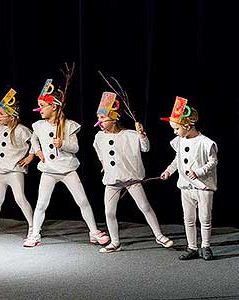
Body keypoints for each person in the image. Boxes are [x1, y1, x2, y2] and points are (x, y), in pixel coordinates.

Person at [23, 78, 110, 247]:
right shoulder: (39, 125)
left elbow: (75, 148)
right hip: (48, 170)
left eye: (43, 106)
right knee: (41, 203)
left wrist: (62, 144)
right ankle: (35, 234)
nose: (39, 109)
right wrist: (37, 150)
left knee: (82, 201)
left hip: (67, 169)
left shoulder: (68, 125)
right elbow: (33, 139)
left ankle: (94, 232)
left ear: (54, 106)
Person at [93, 92, 173, 253]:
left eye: (102, 119)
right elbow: (99, 150)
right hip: (112, 179)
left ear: (114, 118)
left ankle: (159, 235)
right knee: (109, 211)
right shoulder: (98, 136)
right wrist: (103, 163)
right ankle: (115, 242)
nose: (99, 122)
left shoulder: (130, 135)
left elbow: (146, 148)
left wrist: (142, 135)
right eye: (98, 118)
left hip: (131, 178)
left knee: (144, 206)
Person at [160, 96, 218, 261]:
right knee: (188, 218)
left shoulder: (205, 142)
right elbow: (177, 160)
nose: (174, 132)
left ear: (186, 125)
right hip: (186, 186)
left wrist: (199, 172)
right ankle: (192, 246)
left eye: (176, 128)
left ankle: (205, 246)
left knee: (205, 219)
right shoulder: (178, 141)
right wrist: (168, 171)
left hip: (203, 186)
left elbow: (213, 161)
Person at [0, 88, 34, 238]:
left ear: (12, 116)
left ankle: (33, 226)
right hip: (0, 169)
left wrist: (30, 156)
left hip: (14, 170)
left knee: (20, 198)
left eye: (1, 114)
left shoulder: (22, 130)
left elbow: (35, 143)